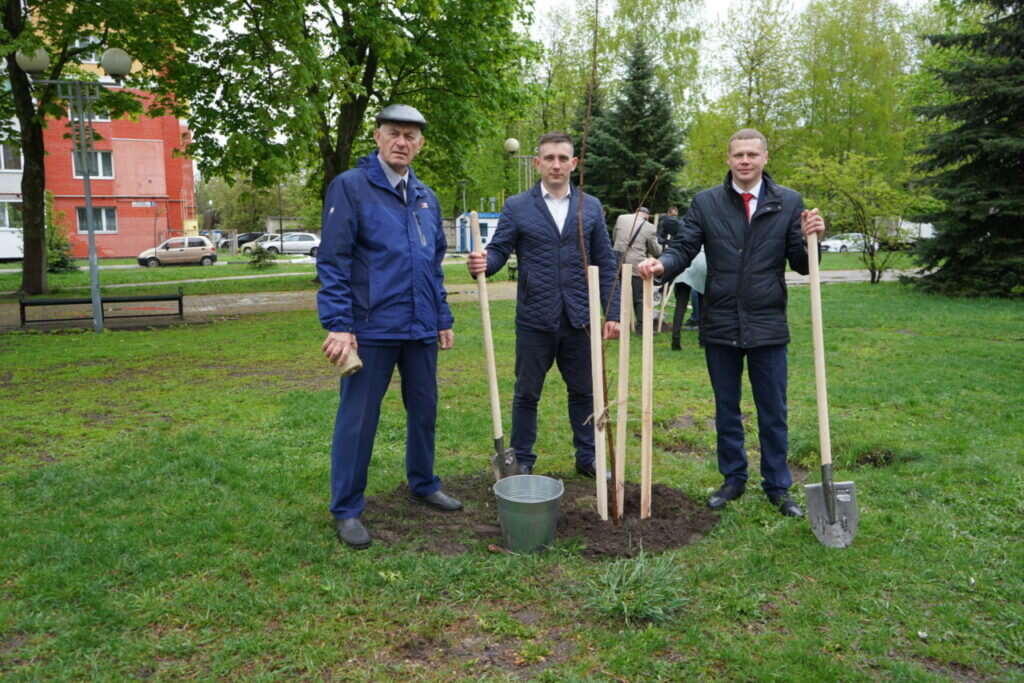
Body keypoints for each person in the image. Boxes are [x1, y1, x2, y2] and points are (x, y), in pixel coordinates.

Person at [637, 128, 825, 518]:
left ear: (764, 158)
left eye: (752, 155)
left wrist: (813, 240)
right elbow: (685, 247)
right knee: (727, 408)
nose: (745, 161)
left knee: (773, 410)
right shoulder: (707, 202)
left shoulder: (788, 202)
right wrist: (662, 266)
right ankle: (733, 478)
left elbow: (803, 264)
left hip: (768, 322)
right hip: (720, 319)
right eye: (738, 154)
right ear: (728, 159)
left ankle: (777, 486)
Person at [318, 104, 461, 549]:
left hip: (419, 328)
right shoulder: (351, 187)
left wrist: (441, 316)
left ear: (421, 144)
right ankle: (347, 509)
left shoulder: (426, 196)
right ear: (378, 137)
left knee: (425, 411)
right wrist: (340, 325)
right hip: (371, 329)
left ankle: (423, 483)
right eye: (394, 133)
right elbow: (334, 261)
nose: (402, 142)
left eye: (411, 136)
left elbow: (432, 263)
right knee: (358, 420)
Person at [467, 131, 621, 478]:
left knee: (584, 392)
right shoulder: (518, 206)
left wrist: (612, 313)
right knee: (526, 394)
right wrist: (483, 262)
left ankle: (589, 457)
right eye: (549, 158)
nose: (556, 164)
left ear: (574, 163)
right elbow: (499, 251)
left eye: (563, 158)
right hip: (536, 317)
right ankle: (522, 459)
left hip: (580, 318)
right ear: (537, 163)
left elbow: (606, 261)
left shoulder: (590, 207)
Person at [612, 207, 662, 333]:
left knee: (617, 294)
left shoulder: (621, 218)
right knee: (639, 297)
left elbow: (614, 236)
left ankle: (616, 323)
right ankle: (642, 326)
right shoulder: (649, 227)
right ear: (647, 216)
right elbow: (656, 251)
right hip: (636, 265)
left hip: (616, 261)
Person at [670, 248, 706, 350]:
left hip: (685, 261)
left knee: (680, 306)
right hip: (701, 262)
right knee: (703, 306)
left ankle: (675, 340)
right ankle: (703, 341)